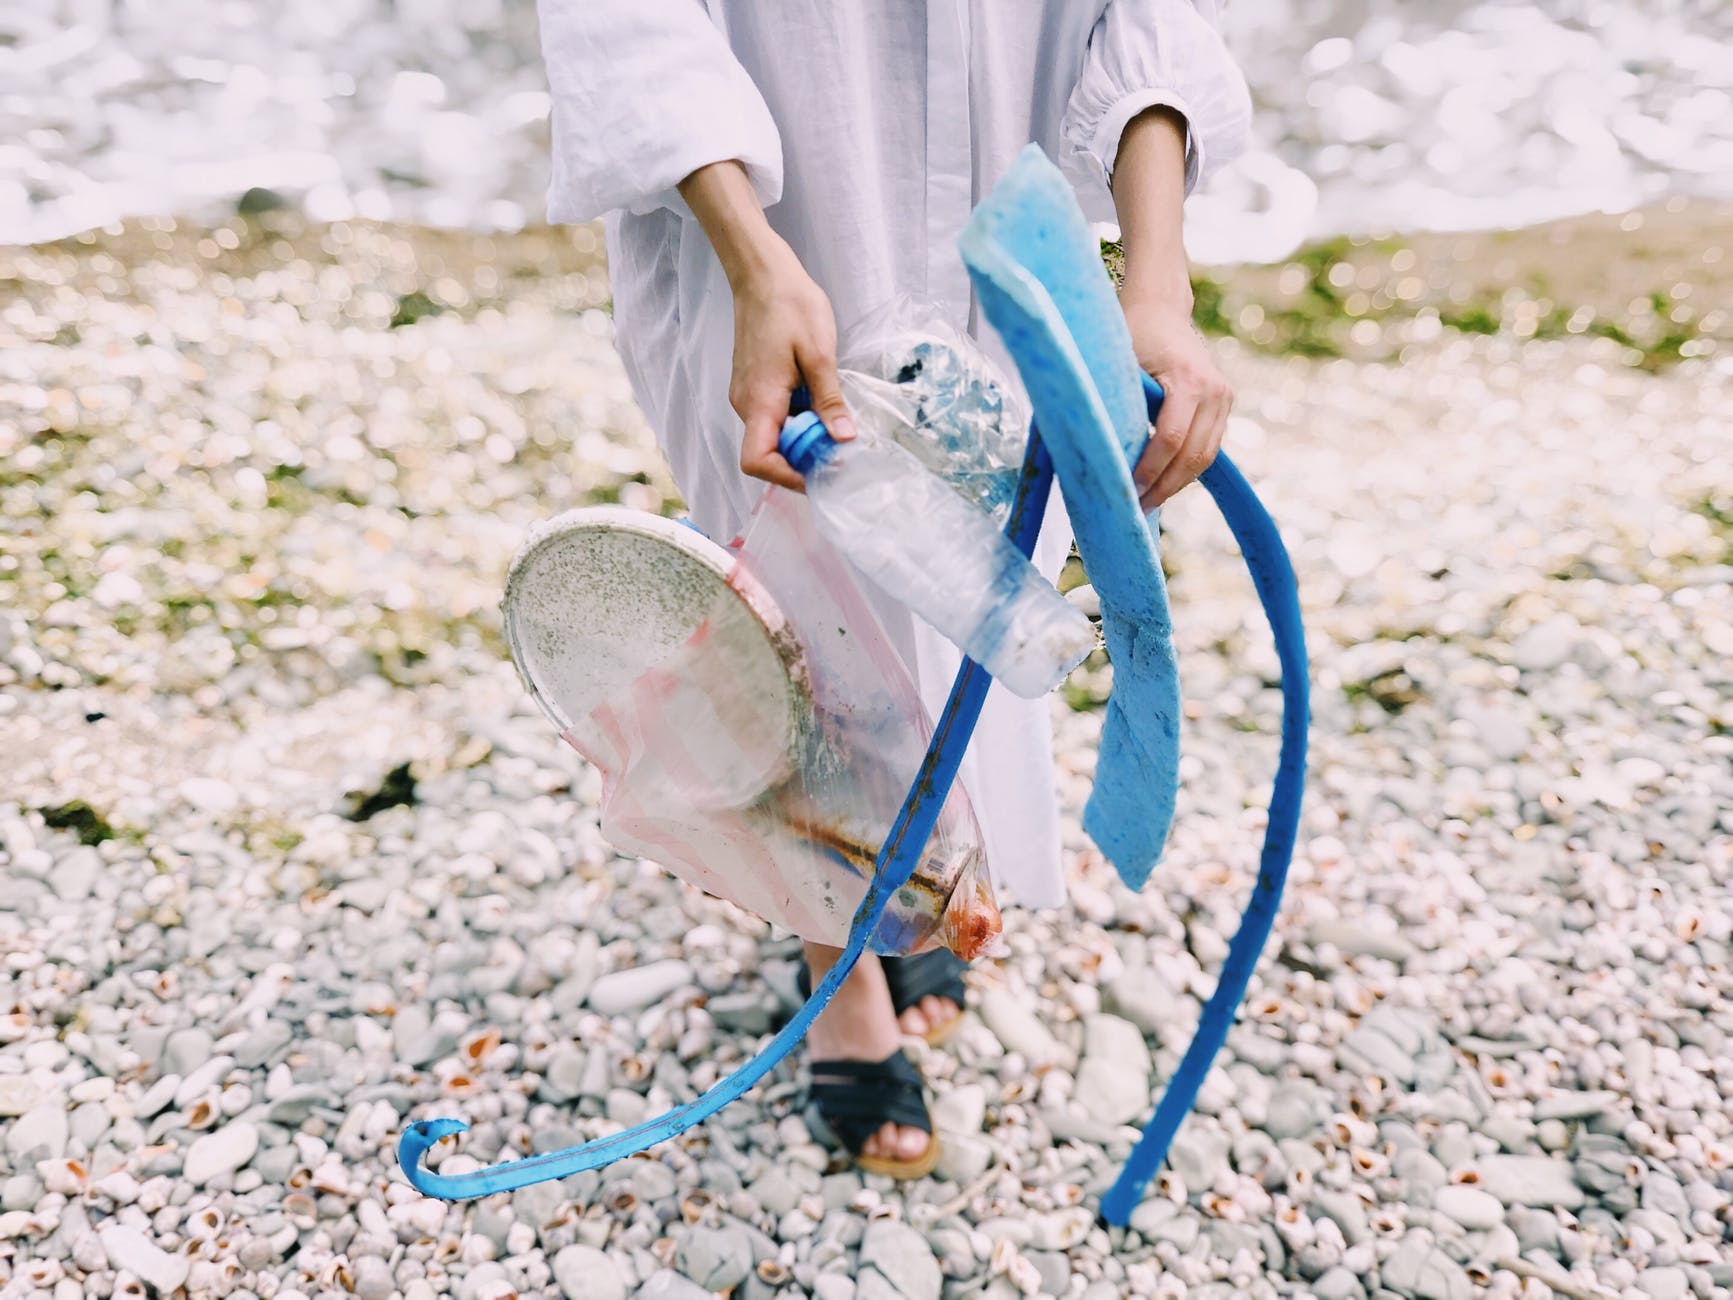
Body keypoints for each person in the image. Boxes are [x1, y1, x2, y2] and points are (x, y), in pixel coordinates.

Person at [536, 0, 1251, 1177]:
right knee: (795, 609)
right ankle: (838, 959)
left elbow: (1146, 17)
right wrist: (753, 258)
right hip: (760, 218)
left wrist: (1155, 281)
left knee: (971, 579)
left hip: (999, 212)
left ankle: (904, 866)